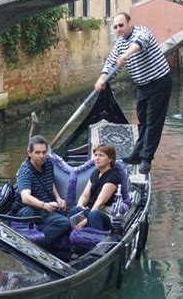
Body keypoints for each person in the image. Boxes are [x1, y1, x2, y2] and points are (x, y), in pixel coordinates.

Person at [95, 12, 172, 175]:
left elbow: (140, 43)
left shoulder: (142, 32)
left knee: (153, 121)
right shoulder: (120, 44)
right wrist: (102, 79)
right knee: (143, 119)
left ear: (130, 23)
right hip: (142, 85)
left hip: (160, 81)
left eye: (121, 25)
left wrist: (126, 55)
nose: (118, 29)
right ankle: (137, 154)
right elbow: (110, 64)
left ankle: (146, 158)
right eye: (115, 27)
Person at [13, 135, 71, 248]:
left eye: (44, 152)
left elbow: (50, 182)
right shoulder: (25, 171)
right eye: (37, 152)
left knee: (73, 213)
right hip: (30, 210)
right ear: (29, 153)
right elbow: (25, 197)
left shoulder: (48, 163)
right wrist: (45, 205)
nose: (41, 156)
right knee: (65, 223)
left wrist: (58, 198)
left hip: (45, 207)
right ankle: (37, 244)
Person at [68, 144, 120, 231]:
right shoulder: (95, 173)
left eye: (101, 155)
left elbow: (100, 202)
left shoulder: (113, 176)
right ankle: (76, 237)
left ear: (110, 159)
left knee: (93, 215)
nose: (97, 158)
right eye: (95, 155)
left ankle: (96, 240)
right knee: (74, 210)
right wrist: (80, 206)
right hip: (91, 209)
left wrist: (86, 220)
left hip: (104, 213)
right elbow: (85, 195)